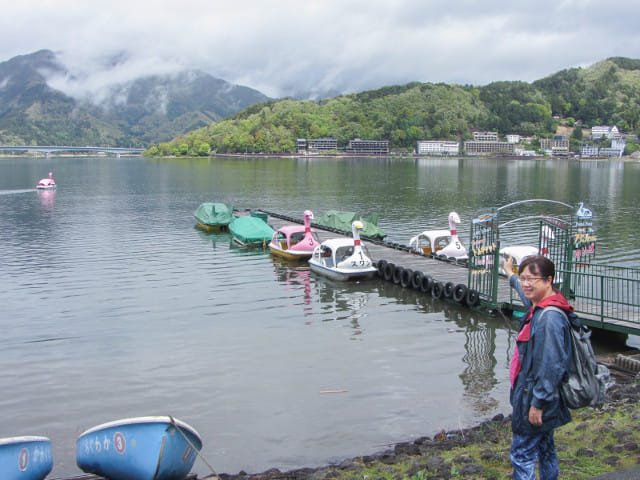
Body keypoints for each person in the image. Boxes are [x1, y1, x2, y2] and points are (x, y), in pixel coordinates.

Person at [502, 254, 573, 480]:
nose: (526, 284)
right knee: (545, 448)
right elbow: (525, 295)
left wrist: (538, 403)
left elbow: (551, 365)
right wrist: (510, 274)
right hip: (539, 394)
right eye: (524, 278)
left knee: (522, 454)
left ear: (549, 280)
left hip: (534, 396)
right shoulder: (542, 305)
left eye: (532, 279)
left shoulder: (549, 318)